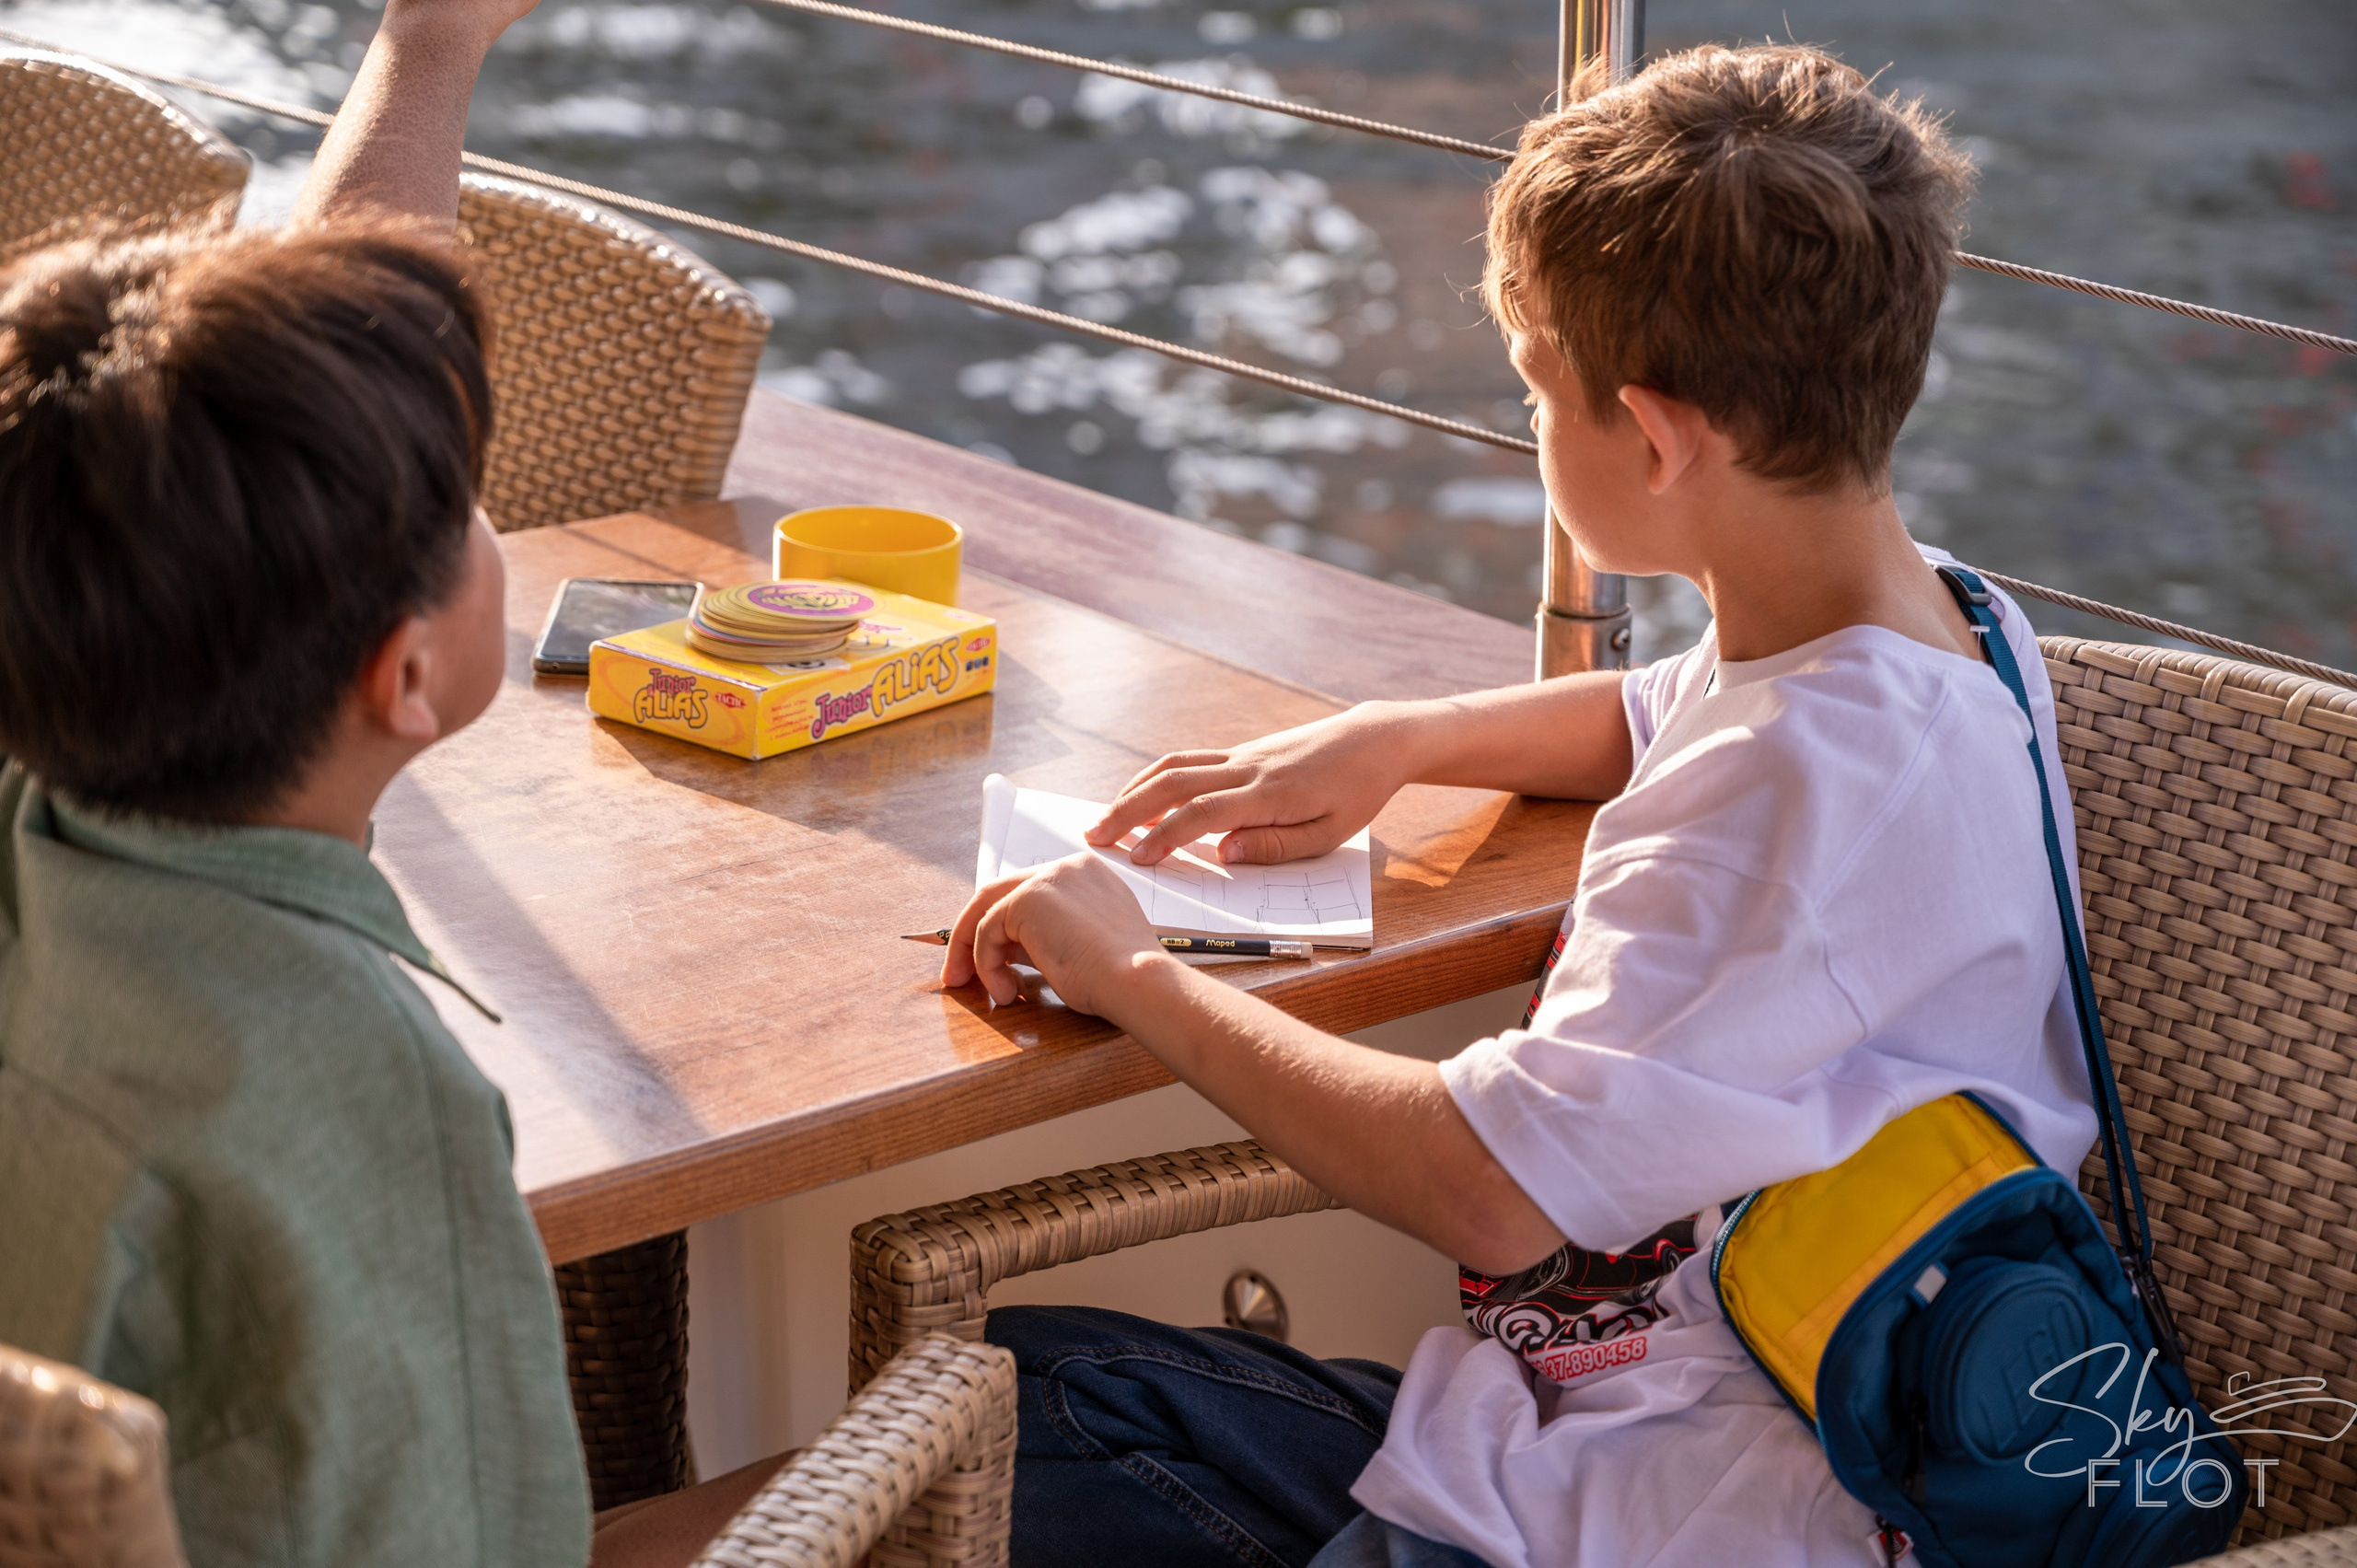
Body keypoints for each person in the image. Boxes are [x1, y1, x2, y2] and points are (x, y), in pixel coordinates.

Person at [941, 43, 2101, 1568]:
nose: (1531, 427)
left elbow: (1489, 1192)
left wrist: (1129, 970)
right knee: (1041, 1390)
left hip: (1674, 1506)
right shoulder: (1939, 623)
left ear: (1658, 438)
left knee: (997, 1441)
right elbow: (1660, 711)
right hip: (1670, 1422)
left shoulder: (1792, 794)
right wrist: (1398, 739)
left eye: (1537, 390)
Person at [0, 4, 777, 1562]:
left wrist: (433, 43)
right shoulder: (363, 1092)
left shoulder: (40, 816)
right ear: (404, 679)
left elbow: (365, 349)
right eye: (467, 504)